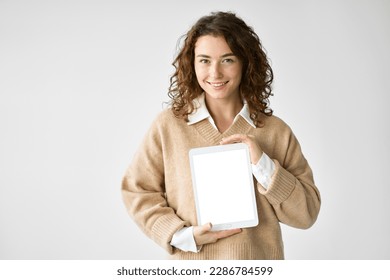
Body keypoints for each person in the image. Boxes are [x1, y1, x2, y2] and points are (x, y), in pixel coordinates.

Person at [122, 11, 321, 260]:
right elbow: (136, 190)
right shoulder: (168, 127)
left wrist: (263, 165)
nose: (214, 73)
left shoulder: (275, 131)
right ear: (191, 64)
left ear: (245, 63)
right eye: (204, 60)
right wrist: (181, 235)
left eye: (227, 60)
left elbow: (307, 213)